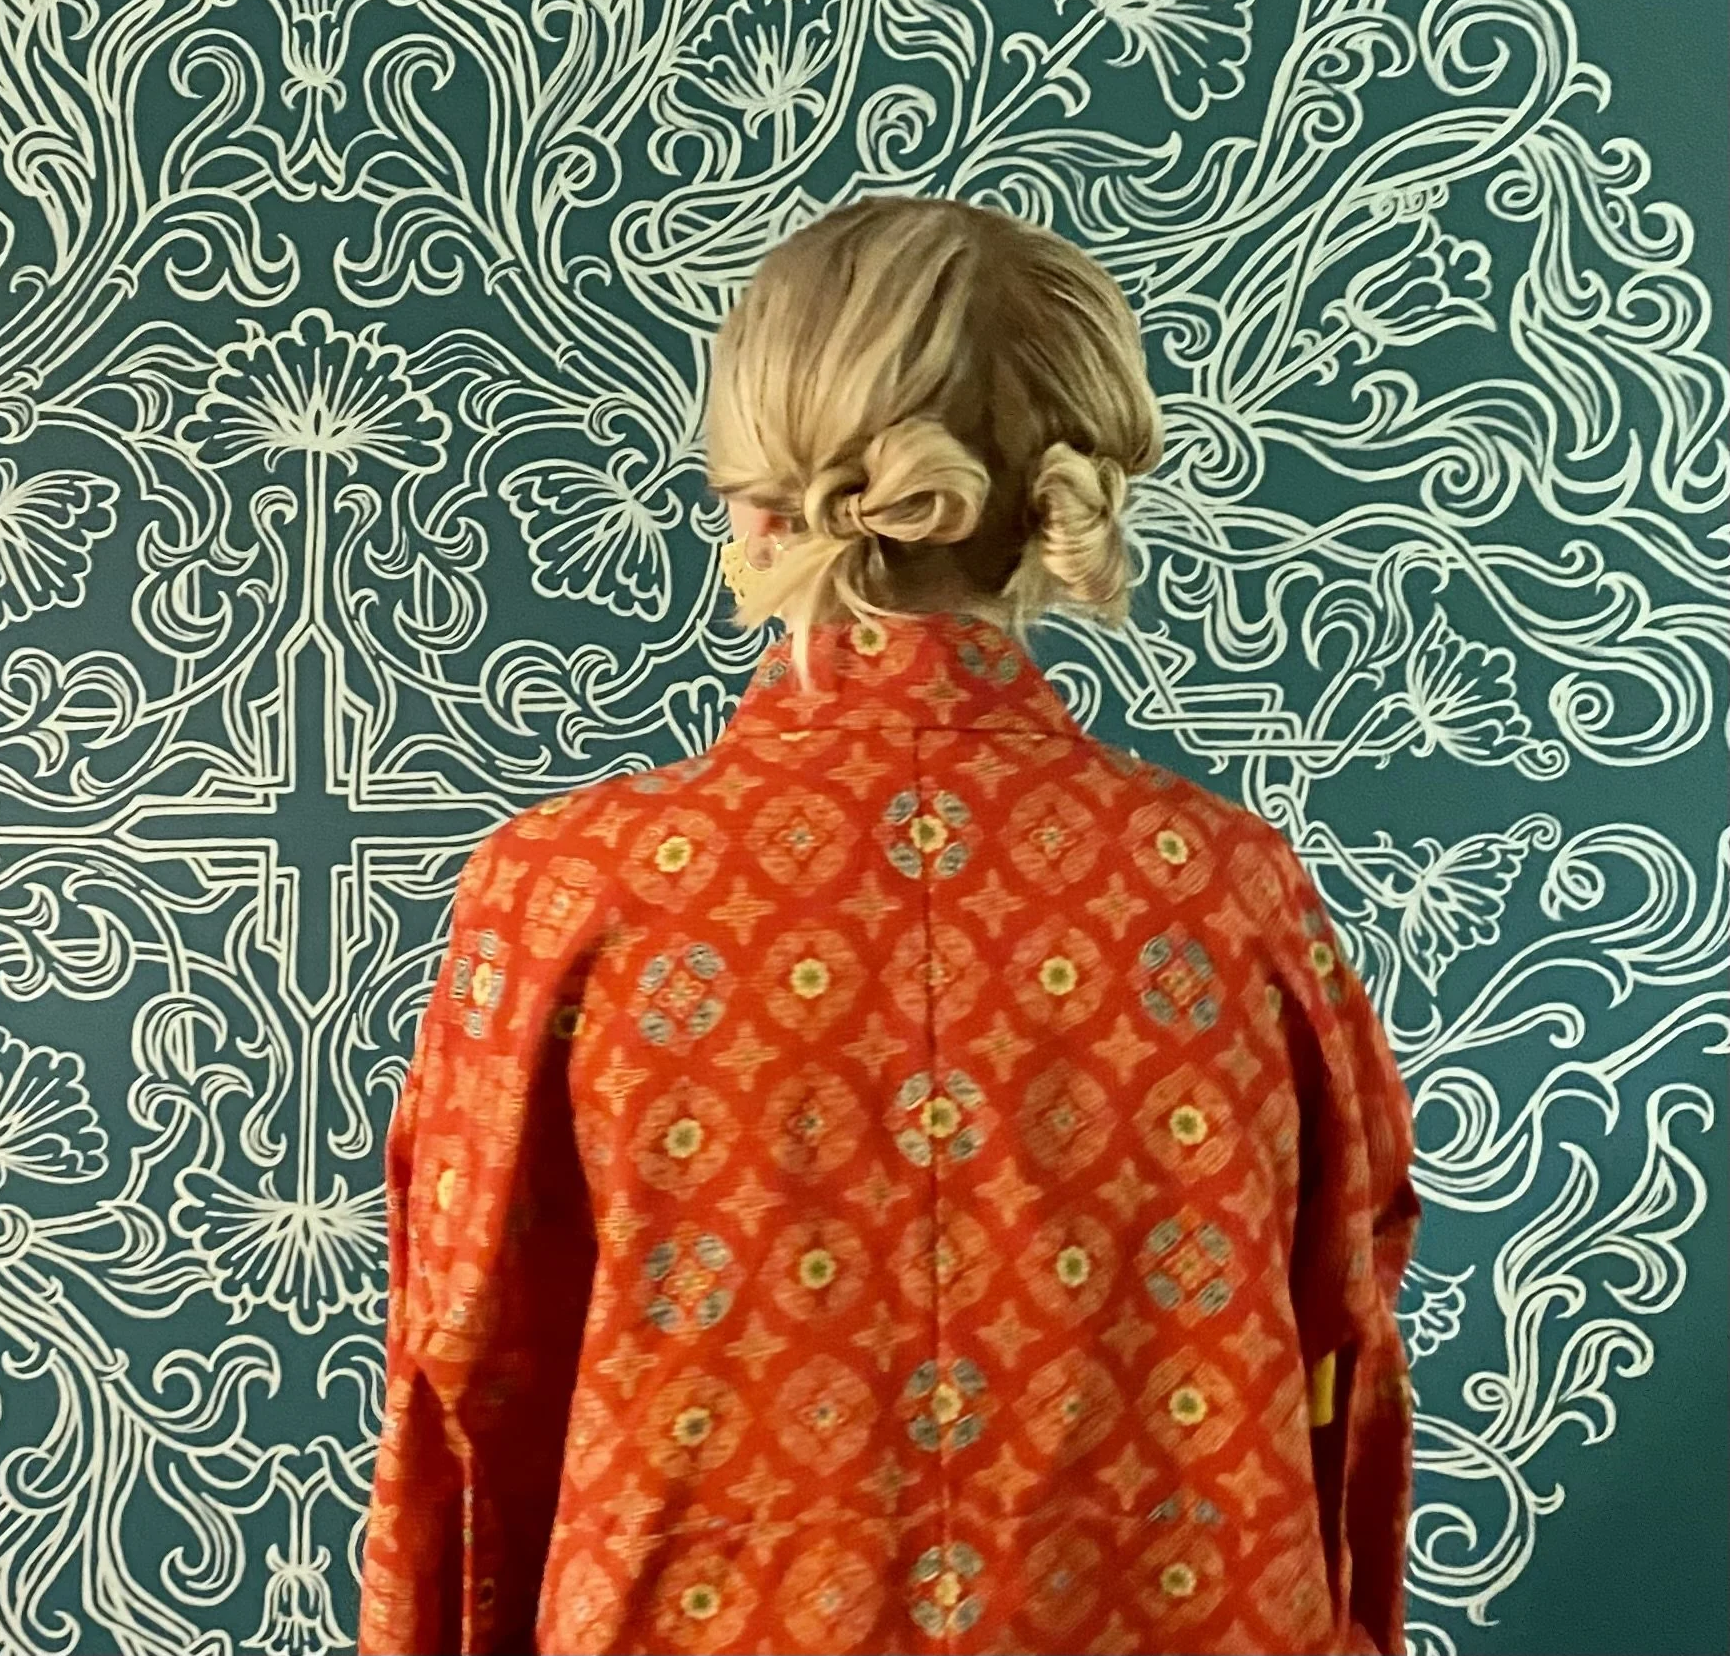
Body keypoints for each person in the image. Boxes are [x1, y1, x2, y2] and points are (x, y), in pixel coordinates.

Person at [355, 195, 1418, 1656]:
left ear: (753, 495)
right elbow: (1343, 1354)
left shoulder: (569, 890)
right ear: (1061, 495)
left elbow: (463, 1378)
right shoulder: (1224, 890)